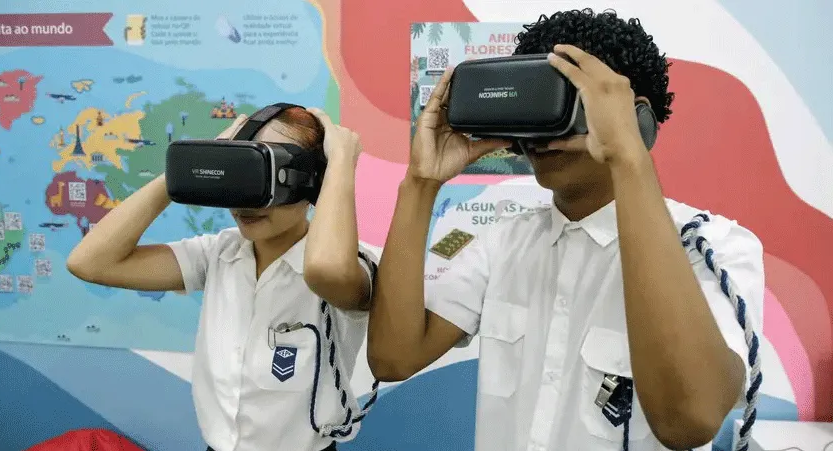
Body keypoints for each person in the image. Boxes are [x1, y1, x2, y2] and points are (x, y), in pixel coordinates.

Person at [367, 9, 763, 451]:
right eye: (533, 105)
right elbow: (393, 357)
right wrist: (422, 182)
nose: (542, 134)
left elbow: (689, 422)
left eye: (564, 104)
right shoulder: (505, 242)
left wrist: (628, 158)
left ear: (637, 119)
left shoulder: (712, 247)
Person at [67, 106, 377, 451]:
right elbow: (90, 263)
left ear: (315, 181)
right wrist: (187, 171)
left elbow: (328, 271)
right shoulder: (219, 254)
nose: (247, 199)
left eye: (266, 175)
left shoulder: (354, 266)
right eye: (239, 173)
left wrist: (340, 166)